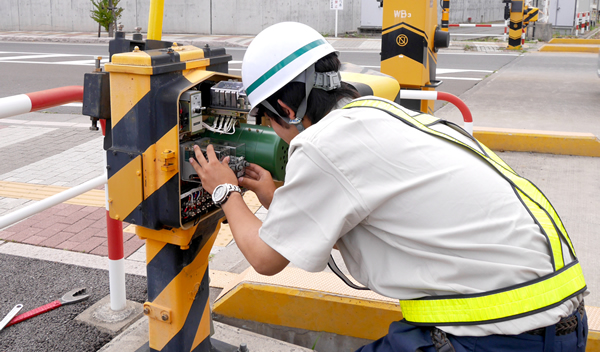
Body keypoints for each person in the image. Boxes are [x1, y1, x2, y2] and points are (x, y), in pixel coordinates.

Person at [189, 22, 588, 352]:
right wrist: (278, 198)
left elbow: (264, 259)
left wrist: (225, 192)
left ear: (287, 110)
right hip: (557, 316)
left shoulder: (322, 143)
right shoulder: (380, 113)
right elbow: (346, 210)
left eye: (268, 119)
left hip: (499, 333)